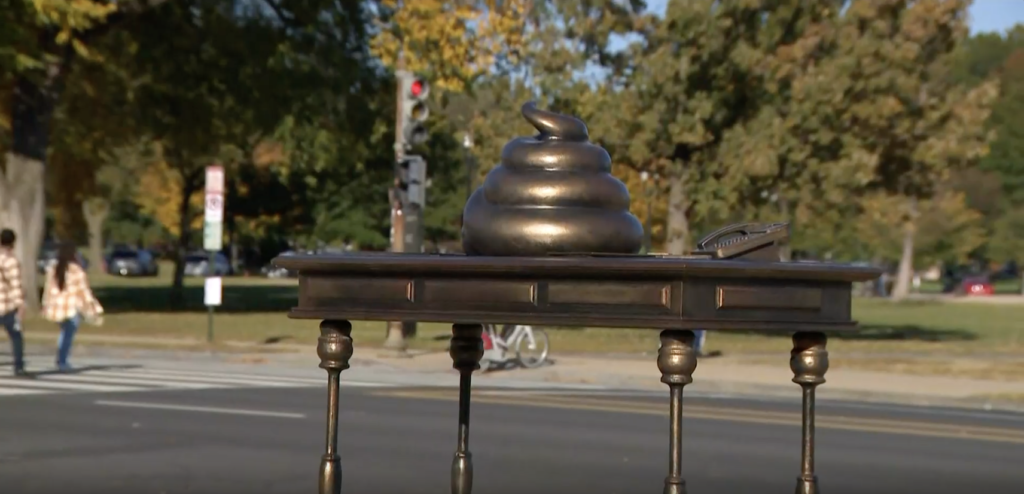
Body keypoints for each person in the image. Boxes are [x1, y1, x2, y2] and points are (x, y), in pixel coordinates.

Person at [41, 242, 103, 372]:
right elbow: (84, 292)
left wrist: (45, 304)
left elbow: (48, 289)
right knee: (67, 335)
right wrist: (93, 308)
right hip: (71, 308)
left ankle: (61, 359)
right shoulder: (77, 270)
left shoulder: (53, 268)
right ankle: (62, 360)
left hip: (56, 308)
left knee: (64, 333)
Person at [0, 229, 27, 376]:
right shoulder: (12, 261)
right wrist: (20, 304)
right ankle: (19, 366)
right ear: (13, 243)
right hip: (6, 306)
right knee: (16, 336)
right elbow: (15, 284)